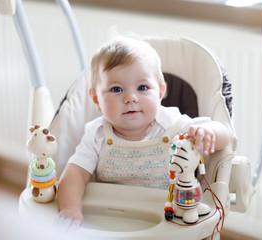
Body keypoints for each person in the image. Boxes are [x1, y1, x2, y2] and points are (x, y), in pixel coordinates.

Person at [57, 36, 231, 226]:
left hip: (166, 220)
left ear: (160, 92)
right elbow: (74, 174)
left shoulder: (174, 125)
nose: (130, 97)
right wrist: (70, 208)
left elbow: (225, 137)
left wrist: (208, 132)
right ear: (96, 99)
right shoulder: (97, 134)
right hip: (112, 218)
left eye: (142, 87)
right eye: (116, 89)